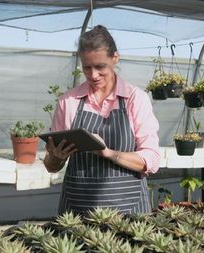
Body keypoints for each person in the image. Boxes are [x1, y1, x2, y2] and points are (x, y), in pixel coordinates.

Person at [43, 25, 160, 214]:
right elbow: (51, 166)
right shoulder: (69, 101)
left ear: (115, 58)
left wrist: (108, 153)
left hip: (128, 211)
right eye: (87, 68)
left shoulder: (135, 99)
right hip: (78, 210)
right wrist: (55, 158)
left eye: (100, 67)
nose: (93, 75)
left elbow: (152, 160)